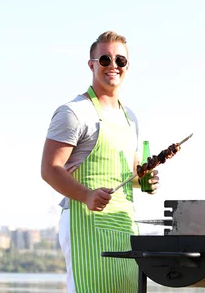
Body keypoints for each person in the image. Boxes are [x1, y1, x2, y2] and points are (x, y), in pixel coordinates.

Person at [41, 31, 159, 293]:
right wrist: (86, 195)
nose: (113, 65)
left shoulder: (131, 117)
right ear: (92, 64)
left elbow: (130, 172)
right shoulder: (74, 112)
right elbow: (49, 169)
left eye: (120, 60)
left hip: (125, 225)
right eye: (105, 59)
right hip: (86, 225)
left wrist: (144, 179)